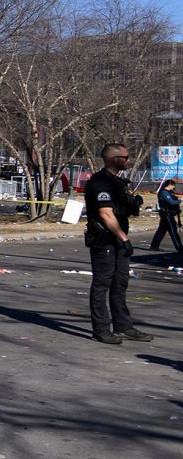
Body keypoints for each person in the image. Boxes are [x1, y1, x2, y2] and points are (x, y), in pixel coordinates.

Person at [84, 144, 152, 344]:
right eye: (126, 157)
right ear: (114, 159)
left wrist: (133, 203)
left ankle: (123, 326)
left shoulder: (118, 182)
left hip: (119, 240)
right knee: (102, 284)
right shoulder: (100, 182)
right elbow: (106, 214)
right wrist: (124, 238)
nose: (128, 160)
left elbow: (121, 209)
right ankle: (101, 329)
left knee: (120, 283)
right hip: (104, 240)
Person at [149, 178, 182, 254]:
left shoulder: (169, 192)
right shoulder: (163, 192)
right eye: (173, 185)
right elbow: (172, 202)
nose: (174, 187)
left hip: (168, 213)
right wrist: (180, 200)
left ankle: (154, 246)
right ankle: (180, 248)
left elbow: (173, 200)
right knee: (173, 231)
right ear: (170, 185)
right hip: (166, 214)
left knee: (161, 231)